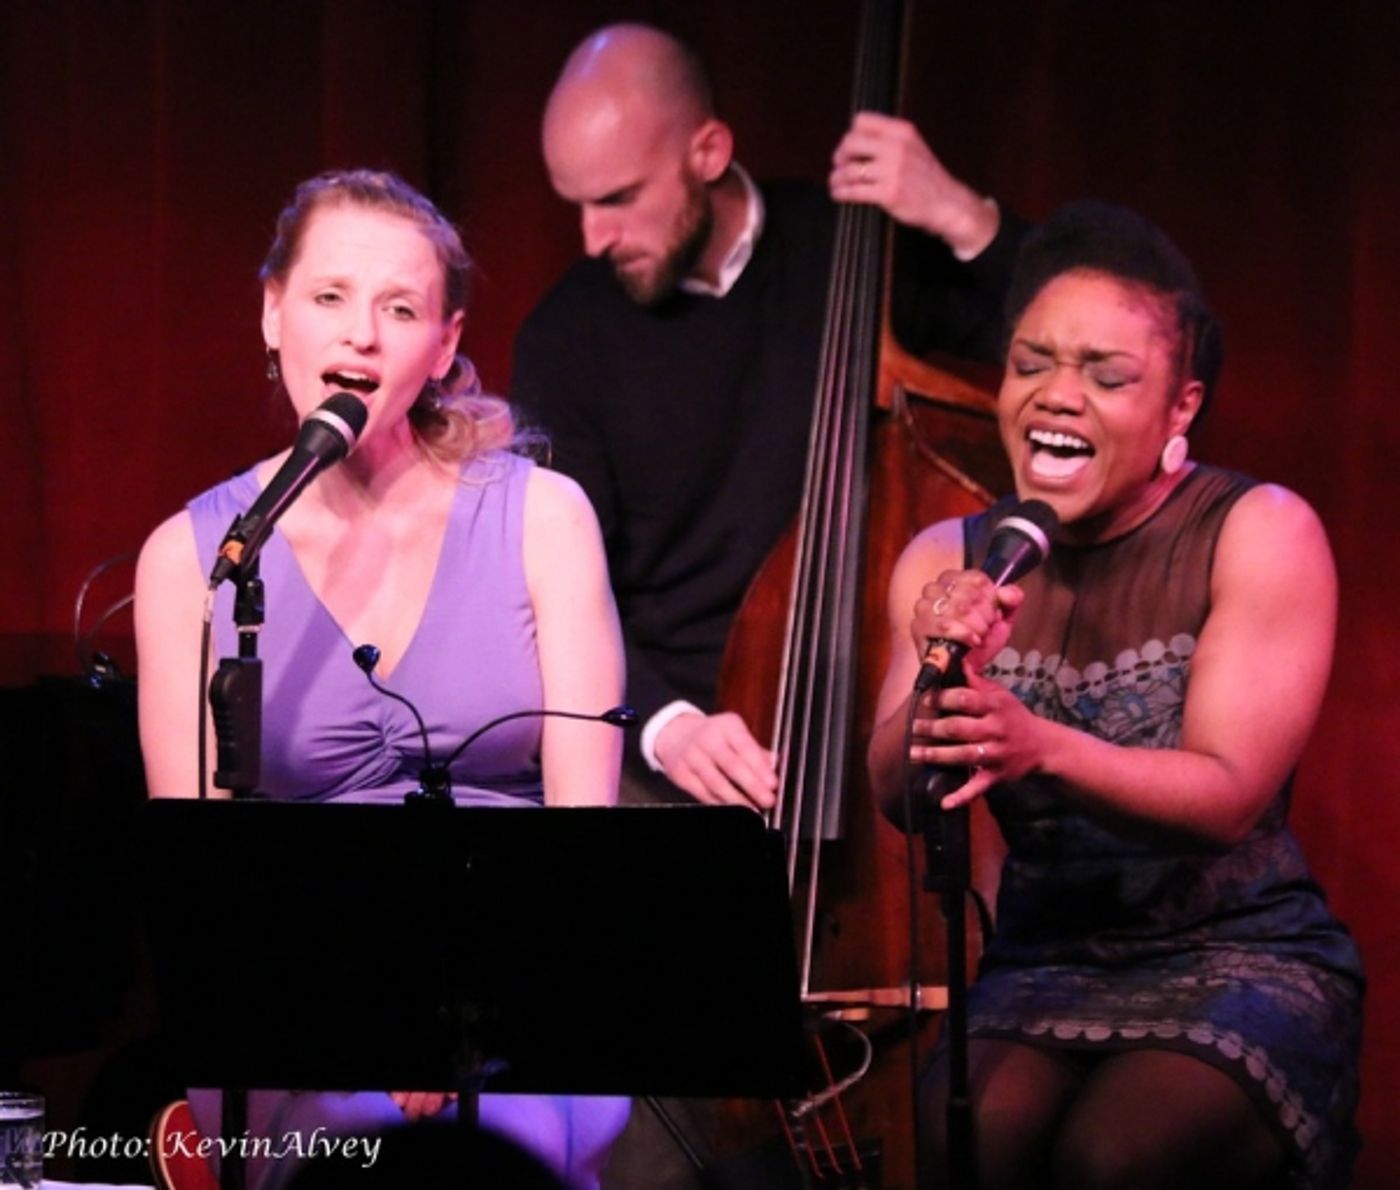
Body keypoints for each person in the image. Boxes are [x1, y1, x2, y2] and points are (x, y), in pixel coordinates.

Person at [134, 169, 630, 1189]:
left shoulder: (543, 517)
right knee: (352, 1140)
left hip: (522, 982)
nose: (360, 335)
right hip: (296, 1002)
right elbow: (206, 890)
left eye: (398, 308)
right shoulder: (193, 557)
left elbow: (588, 849)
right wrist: (372, 1019)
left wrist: (458, 1018)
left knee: (507, 1147)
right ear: (272, 312)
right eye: (327, 297)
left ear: (444, 344)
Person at [867, 201, 1363, 1190]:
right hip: (1043, 960)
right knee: (970, 1135)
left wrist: (1038, 744)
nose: (1055, 397)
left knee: (1114, 1156)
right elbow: (894, 792)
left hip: (1237, 952)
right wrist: (938, 673)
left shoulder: (1257, 529)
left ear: (1178, 407)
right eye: (1029, 362)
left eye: (1105, 376)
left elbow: (1225, 793)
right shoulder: (948, 555)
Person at [513, 22, 1026, 809]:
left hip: (870, 725)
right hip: (674, 740)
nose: (594, 238)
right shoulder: (565, 337)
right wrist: (666, 726)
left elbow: (1064, 345)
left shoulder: (851, 248)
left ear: (709, 152)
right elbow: (555, 592)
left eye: (617, 199)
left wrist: (961, 216)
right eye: (578, 205)